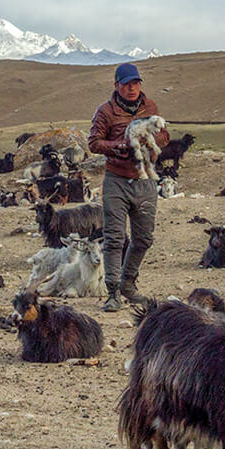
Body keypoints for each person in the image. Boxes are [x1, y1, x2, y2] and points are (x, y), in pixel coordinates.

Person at [88, 62, 169, 312]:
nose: (132, 88)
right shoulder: (106, 112)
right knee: (114, 238)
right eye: (127, 84)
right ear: (117, 86)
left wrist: (153, 140)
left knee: (144, 238)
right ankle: (112, 292)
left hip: (144, 180)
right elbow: (93, 142)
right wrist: (117, 146)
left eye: (136, 83)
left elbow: (165, 135)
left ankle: (128, 283)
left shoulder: (150, 107)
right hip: (117, 181)